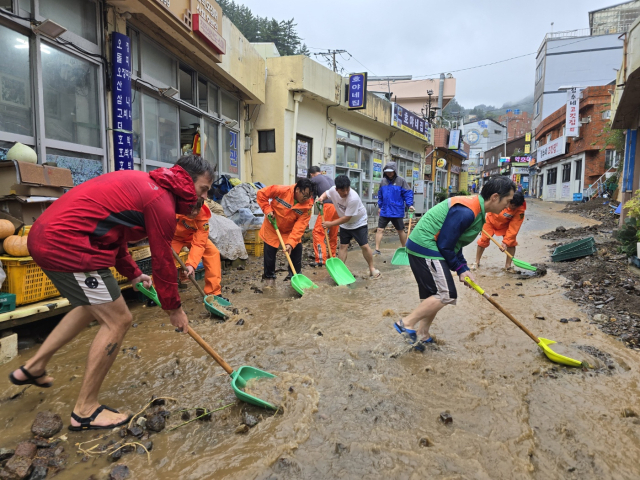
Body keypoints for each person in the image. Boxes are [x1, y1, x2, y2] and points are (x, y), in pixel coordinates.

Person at [9, 155, 214, 430]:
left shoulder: (151, 187)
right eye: (203, 189)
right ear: (187, 181)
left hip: (53, 237)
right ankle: (85, 411)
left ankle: (34, 366)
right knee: (118, 319)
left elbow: (115, 232)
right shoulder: (160, 202)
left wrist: (133, 273)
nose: (203, 198)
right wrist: (173, 308)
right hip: (67, 244)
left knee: (89, 306)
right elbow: (162, 259)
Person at [392, 176, 515, 351]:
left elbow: (455, 243)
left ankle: (423, 333)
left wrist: (463, 267)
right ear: (495, 197)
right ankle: (406, 323)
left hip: (428, 245)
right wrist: (459, 269)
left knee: (433, 295)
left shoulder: (478, 212)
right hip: (426, 245)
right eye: (508, 201)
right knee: (447, 293)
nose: (508, 206)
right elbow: (445, 244)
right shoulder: (467, 211)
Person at [317, 175, 381, 279]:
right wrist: (321, 198)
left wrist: (330, 224)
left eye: (347, 189)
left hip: (358, 222)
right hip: (345, 224)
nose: (346, 192)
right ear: (337, 189)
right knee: (343, 246)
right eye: (343, 190)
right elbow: (326, 193)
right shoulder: (333, 190)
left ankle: (372, 268)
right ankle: (340, 271)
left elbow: (347, 218)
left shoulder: (353, 198)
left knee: (364, 246)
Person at [257, 178, 316, 287]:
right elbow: (261, 194)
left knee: (296, 249)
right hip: (272, 225)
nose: (307, 199)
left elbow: (300, 226)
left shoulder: (307, 206)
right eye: (305, 195)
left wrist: (290, 243)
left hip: (290, 230)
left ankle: (294, 276)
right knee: (269, 254)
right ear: (297, 190)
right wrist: (267, 210)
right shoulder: (281, 190)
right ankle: (269, 278)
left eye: (310, 196)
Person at [173, 201, 226, 301]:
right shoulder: (172, 205)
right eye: (192, 208)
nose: (195, 212)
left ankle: (214, 293)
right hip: (173, 237)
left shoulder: (203, 212)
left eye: (198, 209)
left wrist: (191, 264)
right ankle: (158, 291)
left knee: (212, 253)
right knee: (165, 259)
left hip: (192, 236)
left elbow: (199, 243)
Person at [474, 191, 526, 271]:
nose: (512, 208)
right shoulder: (502, 200)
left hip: (505, 225)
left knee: (511, 242)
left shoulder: (520, 210)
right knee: (483, 240)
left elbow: (514, 227)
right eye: (512, 205)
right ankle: (476, 262)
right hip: (490, 220)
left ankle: (508, 265)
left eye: (515, 207)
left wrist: (506, 242)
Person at [374, 162, 414, 255]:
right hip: (385, 210)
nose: (389, 173)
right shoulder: (383, 181)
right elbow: (380, 195)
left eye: (391, 172)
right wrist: (380, 207)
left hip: (397, 210)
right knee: (380, 229)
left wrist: (410, 205)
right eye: (387, 172)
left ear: (395, 171)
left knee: (400, 230)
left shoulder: (401, 181)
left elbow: (408, 194)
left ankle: (404, 248)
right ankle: (377, 249)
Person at [308, 166, 337, 267]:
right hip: (337, 207)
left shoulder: (313, 180)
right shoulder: (328, 178)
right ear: (319, 172)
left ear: (311, 174)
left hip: (327, 206)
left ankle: (321, 259)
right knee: (333, 233)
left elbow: (311, 197)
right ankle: (332, 256)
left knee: (317, 232)